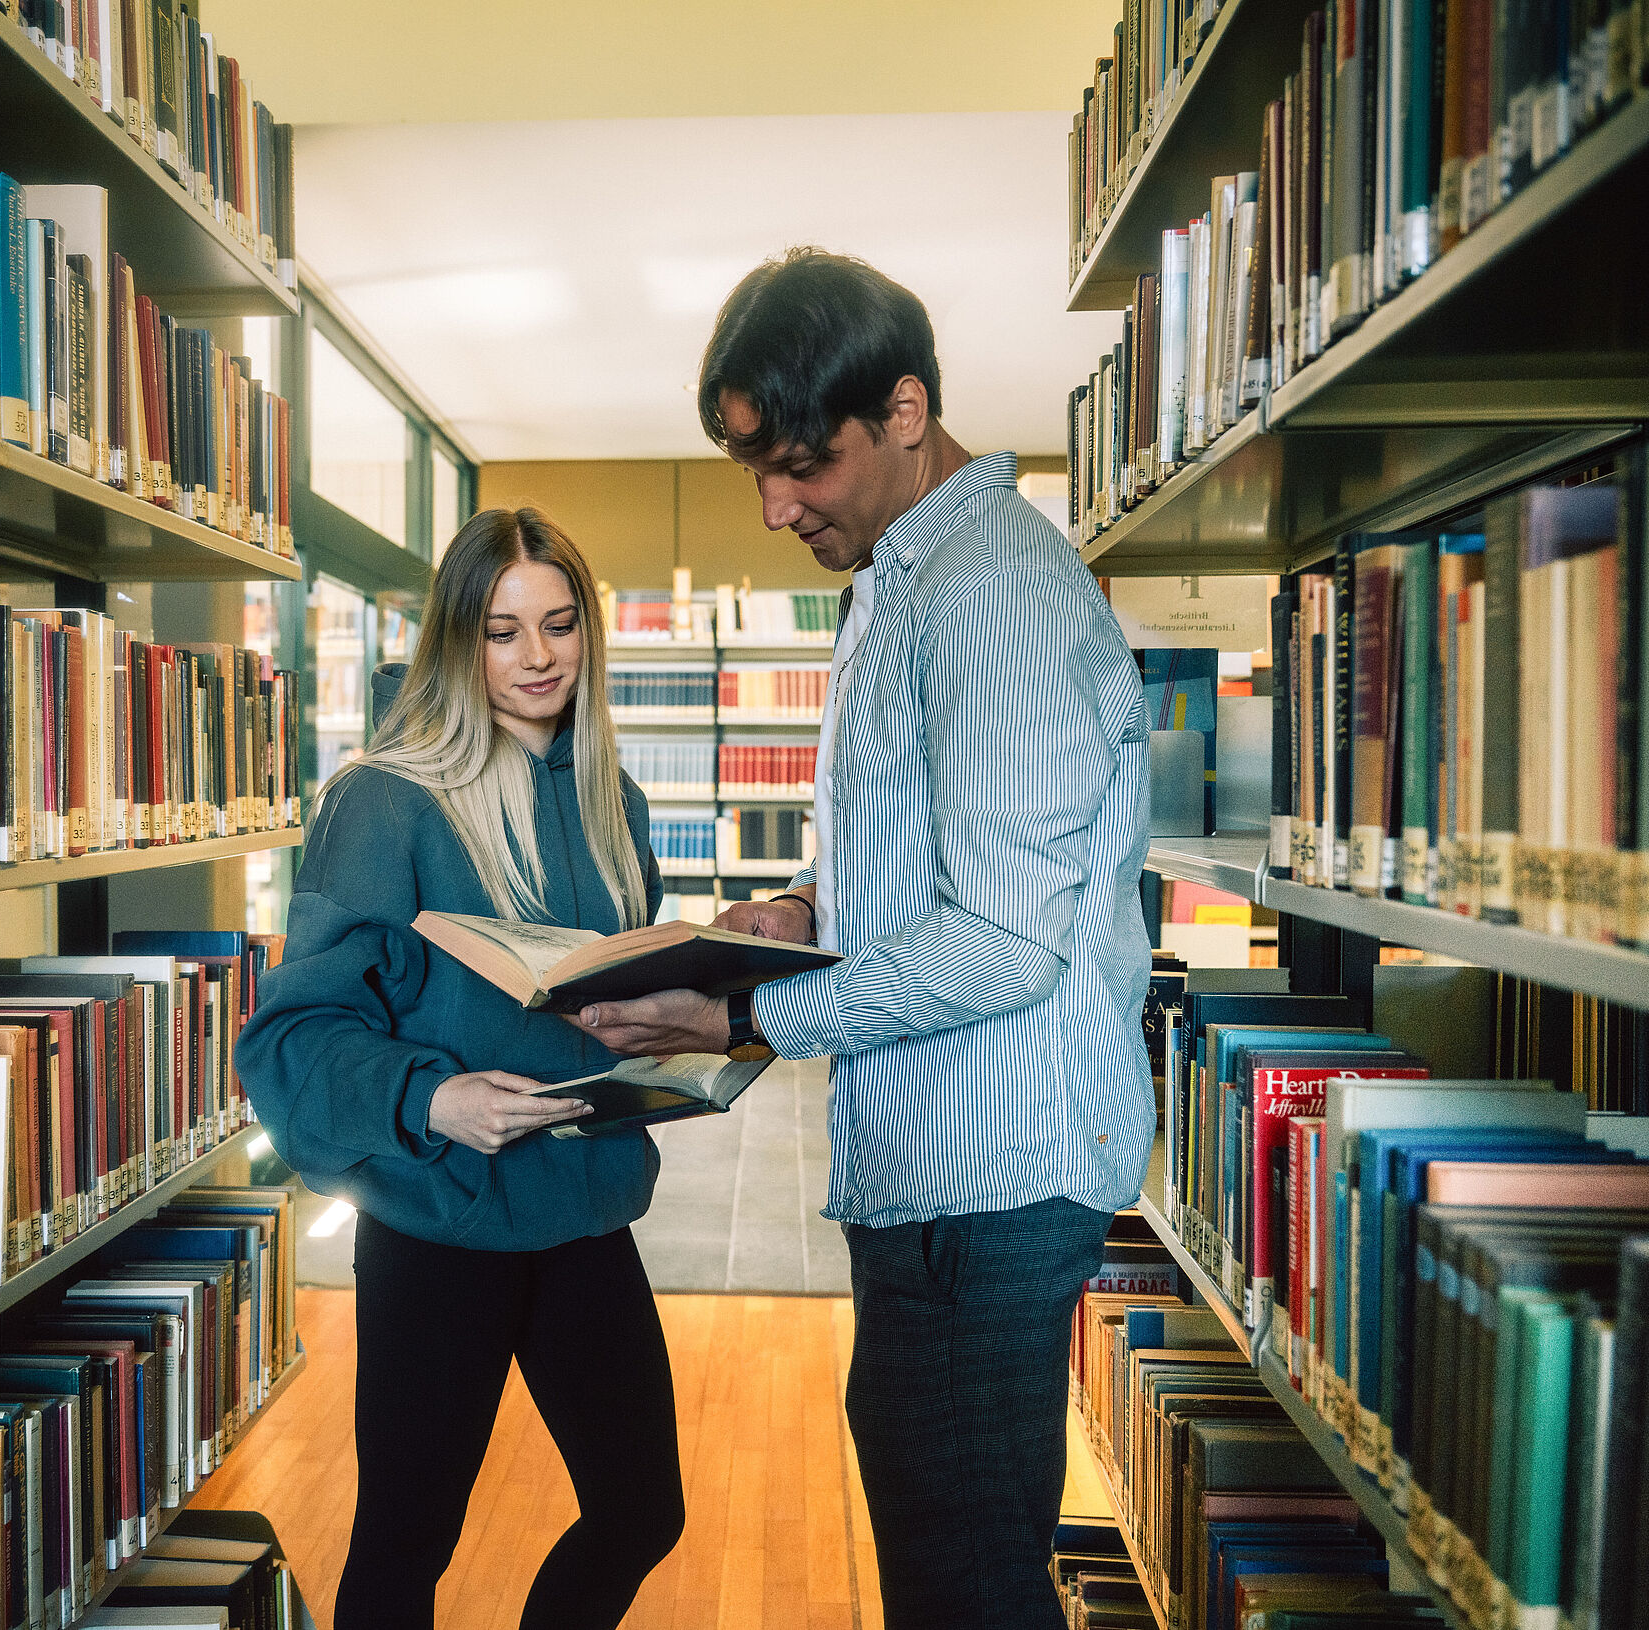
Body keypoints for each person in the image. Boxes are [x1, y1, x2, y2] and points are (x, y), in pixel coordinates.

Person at [573, 248, 1156, 1630]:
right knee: (933, 1514)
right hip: (939, 1162)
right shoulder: (899, 575)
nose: (775, 509)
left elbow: (1009, 941)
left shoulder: (991, 593)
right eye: (751, 473)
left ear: (904, 412)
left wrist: (746, 1017)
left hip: (992, 1173)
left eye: (801, 465)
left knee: (960, 1572)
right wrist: (804, 909)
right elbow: (919, 830)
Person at [233, 508, 685, 1630]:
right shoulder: (385, 803)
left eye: (560, 623)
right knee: (405, 1546)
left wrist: (670, 1029)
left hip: (581, 1213)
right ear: (456, 641)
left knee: (642, 1510)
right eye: (501, 631)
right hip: (439, 1224)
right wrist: (433, 1094)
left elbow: (607, 988)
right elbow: (289, 1038)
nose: (538, 656)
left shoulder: (611, 800)